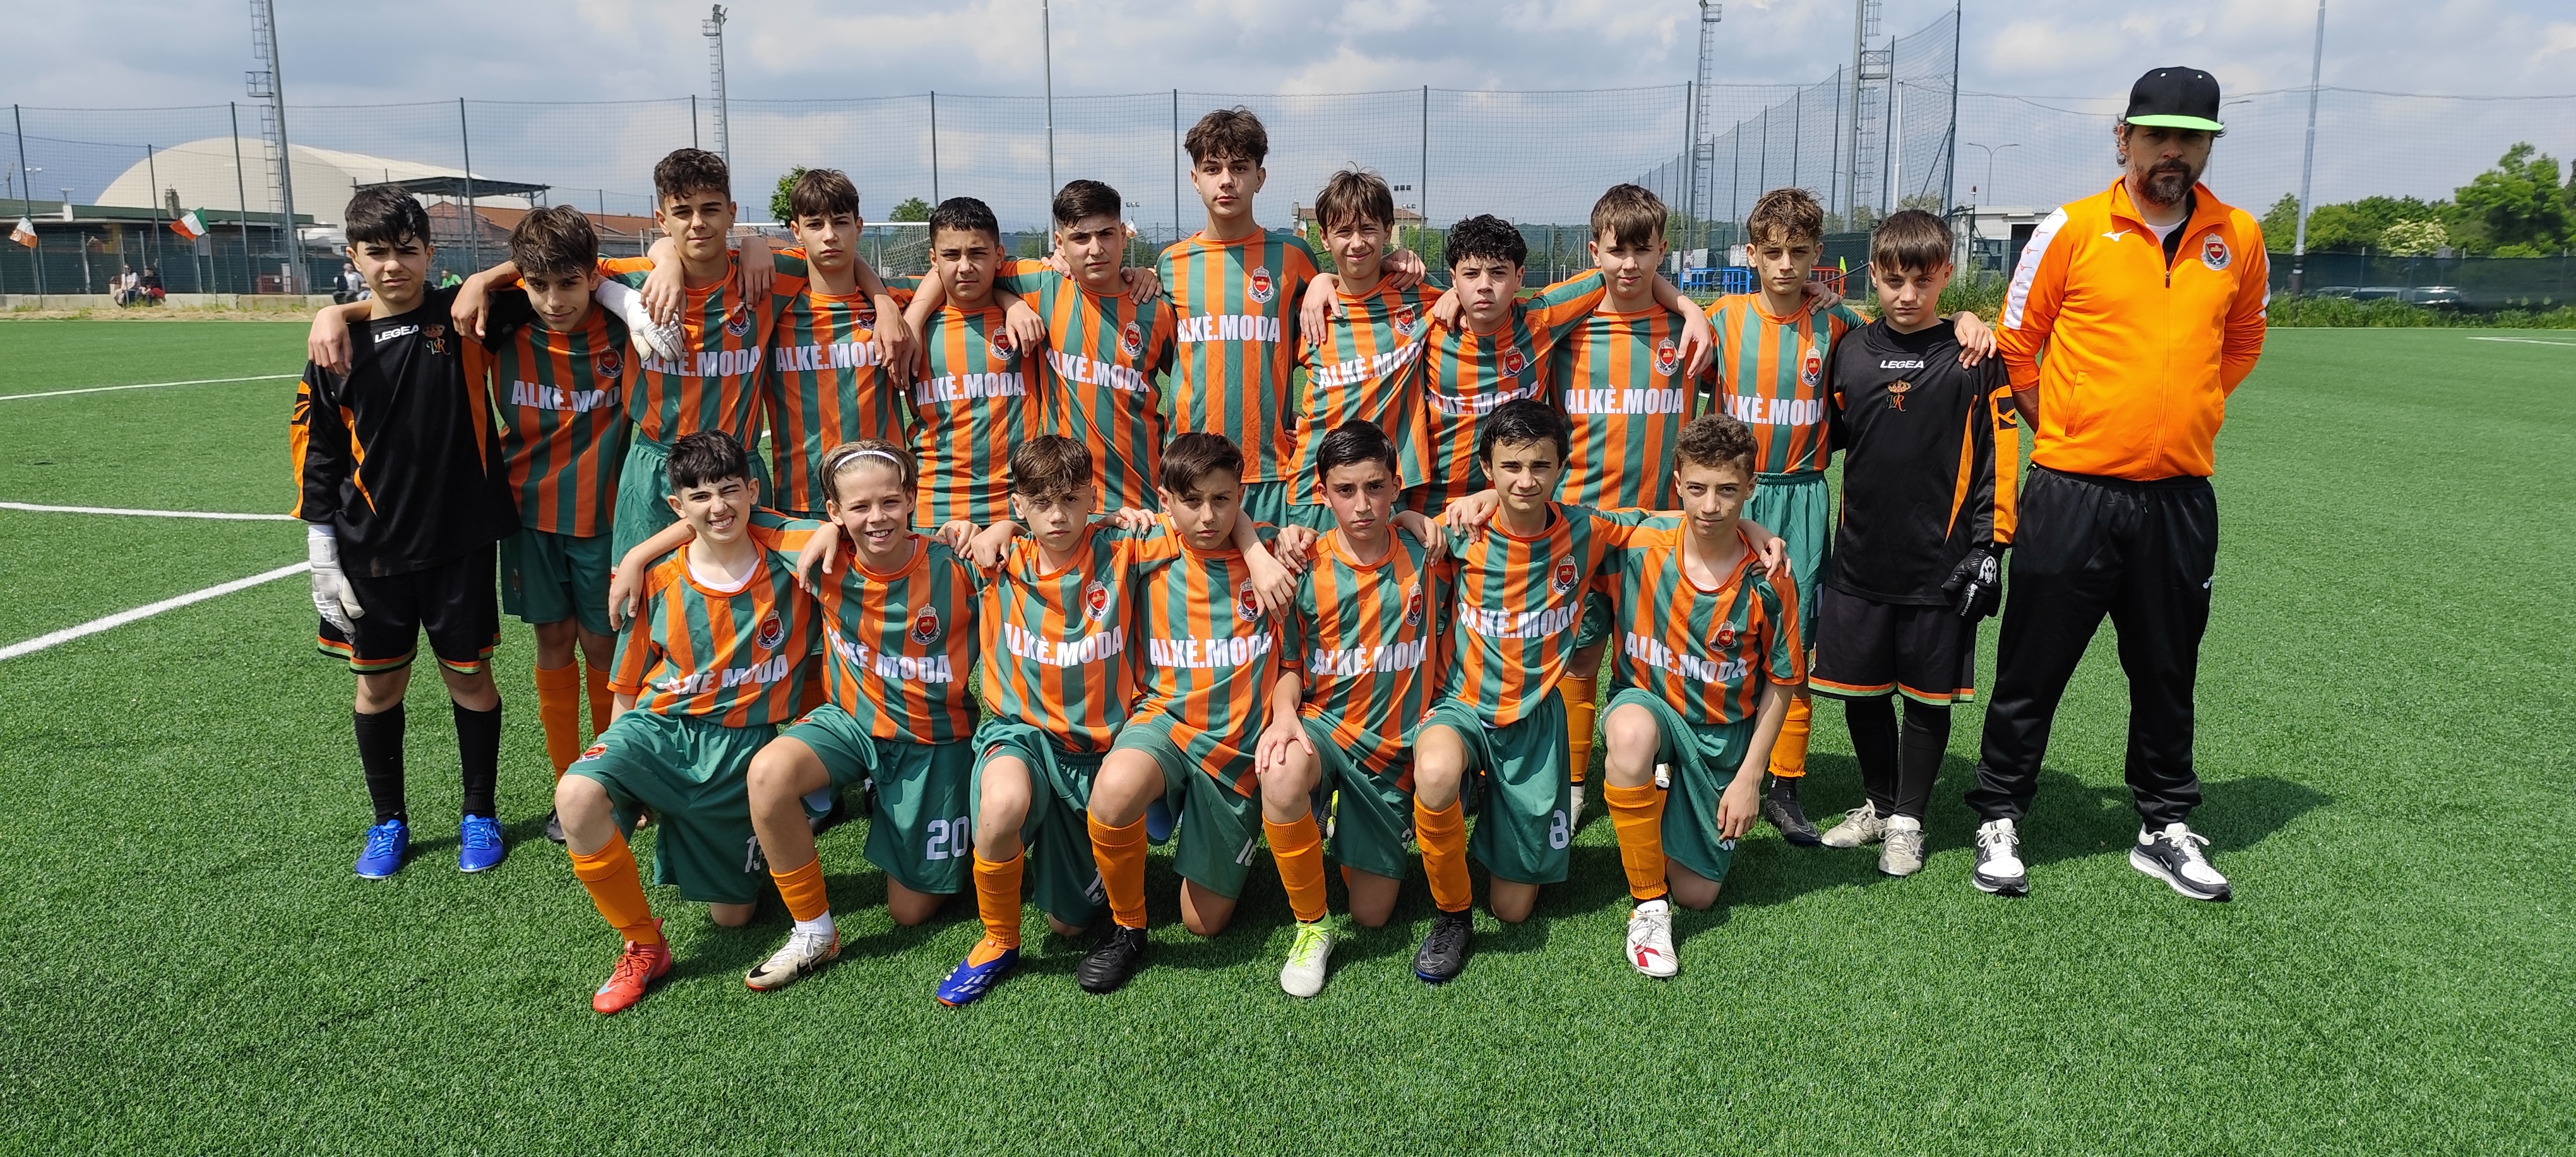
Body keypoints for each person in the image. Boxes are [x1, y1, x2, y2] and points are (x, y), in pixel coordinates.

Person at [1971, 66, 2269, 902]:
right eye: (2158, 135)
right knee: (2032, 665)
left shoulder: (2238, 236)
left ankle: (2163, 823)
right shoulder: (2070, 228)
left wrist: (2191, 410)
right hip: (2072, 491)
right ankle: (2000, 812)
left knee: (2168, 669)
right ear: (2124, 138)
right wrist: (2064, 425)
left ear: (2209, 147)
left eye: (2192, 139)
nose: (2174, 152)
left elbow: (2244, 338)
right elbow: (2017, 341)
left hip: (2180, 497)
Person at [613, 440, 982, 990]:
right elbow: (719, 512)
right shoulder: (815, 547)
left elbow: (1050, 535)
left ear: (911, 499)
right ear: (833, 512)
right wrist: (638, 557)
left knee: (910, 912)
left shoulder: (954, 562)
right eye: (858, 507)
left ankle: (957, 818)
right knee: (769, 772)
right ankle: (814, 930)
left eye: (889, 502)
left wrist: (997, 528)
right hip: (850, 723)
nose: (876, 518)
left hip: (933, 738)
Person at [1703, 186, 1991, 845]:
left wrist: (1969, 317)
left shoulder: (1840, 325)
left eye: (1799, 252)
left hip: (1804, 495)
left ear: (1819, 256)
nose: (1785, 265)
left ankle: (1786, 786)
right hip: (1732, 497)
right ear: (1751, 254)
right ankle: (1701, 763)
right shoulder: (1717, 319)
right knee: (1714, 627)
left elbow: (1910, 328)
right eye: (1772, 252)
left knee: (1795, 639)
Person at [292, 186, 518, 880]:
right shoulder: (335, 346)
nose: (393, 265)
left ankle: (479, 812)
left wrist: (482, 278)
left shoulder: (464, 318)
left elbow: (554, 261)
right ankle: (388, 820)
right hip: (370, 551)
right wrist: (321, 547)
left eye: (407, 250)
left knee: (470, 679)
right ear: (353, 257)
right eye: (377, 253)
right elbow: (319, 448)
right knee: (378, 688)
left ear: (430, 253)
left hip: (460, 541)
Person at [558, 430, 820, 1014]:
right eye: (700, 497)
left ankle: (700, 833)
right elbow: (627, 685)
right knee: (576, 795)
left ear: (753, 491)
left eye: (730, 490)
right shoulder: (658, 577)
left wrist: (635, 550)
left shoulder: (790, 565)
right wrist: (625, 771)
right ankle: (643, 945)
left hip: (740, 750)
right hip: (659, 729)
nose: (718, 506)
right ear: (677, 507)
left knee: (734, 917)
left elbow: (834, 532)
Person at [1808, 210, 2018, 877]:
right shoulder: (1849, 351)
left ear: (1945, 275)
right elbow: (1837, 436)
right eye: (1894, 280)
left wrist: (1991, 547)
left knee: (1927, 699)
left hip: (1941, 563)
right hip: (1860, 558)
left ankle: (1909, 821)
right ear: (1873, 274)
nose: (1907, 294)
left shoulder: (1973, 355)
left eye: (1922, 281)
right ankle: (1878, 804)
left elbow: (2001, 454)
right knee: (1861, 691)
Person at [1075, 433, 1316, 994]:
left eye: (1222, 500)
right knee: (1113, 790)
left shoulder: (1276, 559)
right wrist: (995, 528)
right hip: (1165, 723)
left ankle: (1184, 813)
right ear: (1165, 500)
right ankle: (1127, 927)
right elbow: (1057, 526)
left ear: (1241, 498)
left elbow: (1291, 663)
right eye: (1192, 501)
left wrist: (1285, 713)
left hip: (1234, 751)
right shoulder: (1146, 545)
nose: (1208, 517)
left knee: (1202, 923)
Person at [1595, 414, 1800, 976]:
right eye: (1698, 488)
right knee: (1630, 734)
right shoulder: (1641, 540)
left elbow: (1784, 682)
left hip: (1719, 737)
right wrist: (1484, 496)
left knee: (1699, 894)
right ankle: (1648, 908)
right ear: (1678, 483)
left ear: (1751, 487)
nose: (1710, 505)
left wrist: (1751, 777)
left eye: (1727, 490)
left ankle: (1661, 802)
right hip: (1649, 707)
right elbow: (1550, 514)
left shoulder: (1770, 577)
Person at [1161, 108, 1424, 529]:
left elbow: (1349, 289)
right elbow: (1160, 353)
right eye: (1212, 169)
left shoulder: (1293, 256)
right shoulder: (1170, 264)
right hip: (1190, 470)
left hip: (1273, 469)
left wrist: (1326, 277)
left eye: (1239, 168)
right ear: (1195, 178)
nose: (1226, 180)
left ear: (1260, 177)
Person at [1261, 419, 1450, 995]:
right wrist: (1285, 716)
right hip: (1326, 730)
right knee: (1281, 768)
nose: (1362, 505)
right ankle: (1311, 927)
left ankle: (1346, 811)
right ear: (1323, 493)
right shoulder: (1303, 564)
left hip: (1394, 749)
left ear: (1396, 485)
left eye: (1375, 488)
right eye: (1345, 491)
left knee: (1372, 914)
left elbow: (1507, 505)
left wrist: (1416, 518)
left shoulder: (1427, 550)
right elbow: (1290, 667)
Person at [1286, 167, 1439, 530]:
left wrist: (1403, 262)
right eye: (1343, 232)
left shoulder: (1417, 297)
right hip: (1314, 489)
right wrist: (1285, 419)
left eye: (1368, 229)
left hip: (1390, 487)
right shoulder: (1307, 309)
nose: (1357, 243)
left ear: (1388, 230)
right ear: (1324, 238)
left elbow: (1472, 299)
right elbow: (1259, 367)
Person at [761, 168, 916, 520]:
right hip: (801, 499)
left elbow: (954, 275)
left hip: (882, 501)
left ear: (859, 227)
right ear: (796, 232)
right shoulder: (773, 303)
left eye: (841, 223)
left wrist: (888, 304)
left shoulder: (896, 299)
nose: (830, 236)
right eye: (815, 225)